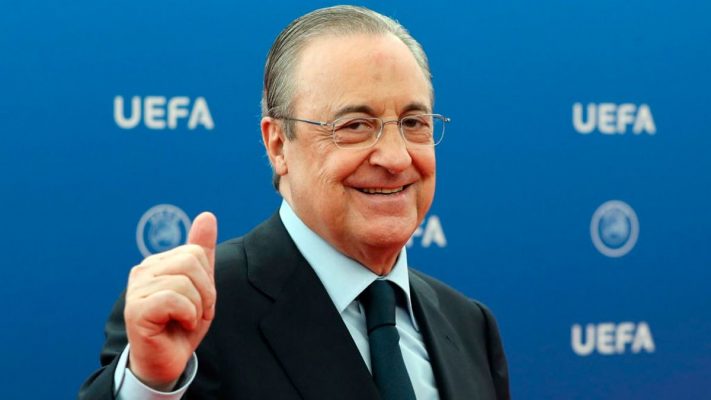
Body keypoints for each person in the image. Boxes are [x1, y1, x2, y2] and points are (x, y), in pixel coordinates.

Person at [79, 5, 510, 400]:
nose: (396, 158)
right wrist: (151, 386)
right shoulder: (200, 310)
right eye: (355, 125)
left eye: (413, 122)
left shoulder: (468, 324)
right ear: (278, 145)